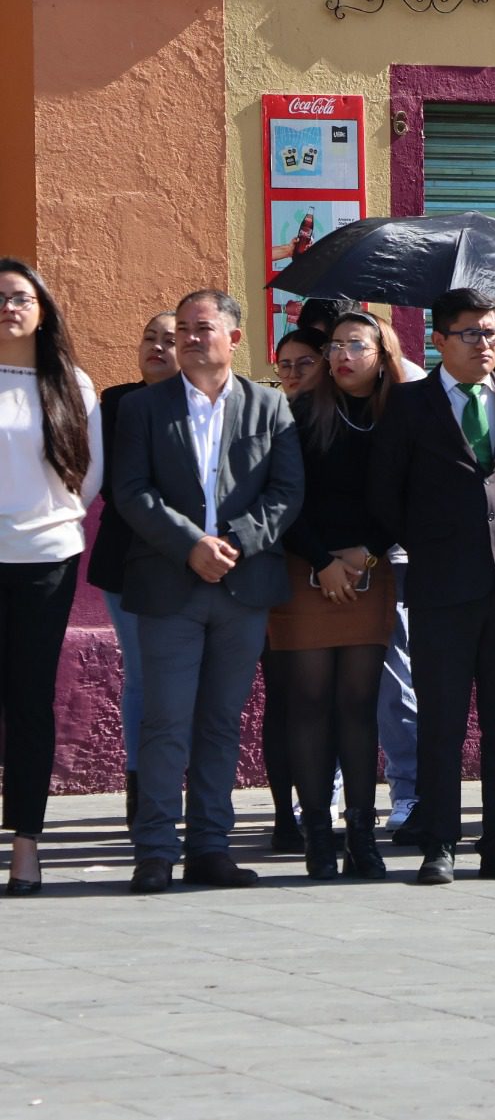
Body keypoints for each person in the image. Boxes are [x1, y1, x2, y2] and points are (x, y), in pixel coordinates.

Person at [115, 289, 305, 894]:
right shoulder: (144, 409)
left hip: (242, 587)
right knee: (166, 721)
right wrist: (189, 544)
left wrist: (237, 544)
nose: (191, 339)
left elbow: (287, 491)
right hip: (170, 584)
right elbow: (132, 491)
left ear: (235, 338)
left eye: (203, 329)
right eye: (183, 331)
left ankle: (210, 848)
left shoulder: (269, 408)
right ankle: (154, 851)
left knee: (221, 723)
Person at [368, 288, 495, 885]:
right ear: (440, 339)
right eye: (472, 333)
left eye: (494, 333)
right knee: (442, 719)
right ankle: (440, 841)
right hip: (441, 586)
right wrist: (428, 541)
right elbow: (384, 493)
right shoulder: (407, 405)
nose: (486, 344)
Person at [270, 311, 403, 880]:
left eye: (356, 344)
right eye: (336, 346)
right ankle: (318, 838)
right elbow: (283, 496)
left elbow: (405, 497)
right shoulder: (299, 412)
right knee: (309, 706)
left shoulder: (401, 414)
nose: (342, 354)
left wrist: (366, 554)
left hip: (368, 571)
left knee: (357, 706)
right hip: (305, 569)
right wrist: (323, 562)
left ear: (381, 353)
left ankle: (362, 837)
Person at [0, 258, 102, 894]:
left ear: (42, 311)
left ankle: (26, 844)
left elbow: (87, 474)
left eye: (19, 297)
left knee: (30, 704)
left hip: (45, 561)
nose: (8, 307)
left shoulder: (70, 382)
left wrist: (54, 520)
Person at [88, 309, 178, 831]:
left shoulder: (200, 404)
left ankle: (178, 785)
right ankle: (141, 788)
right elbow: (110, 484)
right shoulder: (115, 403)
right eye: (149, 338)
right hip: (126, 562)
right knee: (143, 674)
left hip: (192, 565)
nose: (158, 348)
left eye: (170, 339)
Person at [260, 324, 330, 853]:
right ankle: (286, 813)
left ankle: (322, 810)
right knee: (284, 700)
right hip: (281, 572)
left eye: (304, 363)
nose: (292, 374)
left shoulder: (343, 417)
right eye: (284, 365)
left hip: (339, 576)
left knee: (328, 701)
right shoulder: (270, 418)